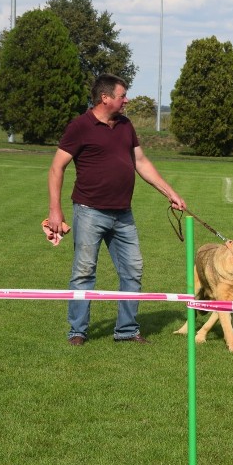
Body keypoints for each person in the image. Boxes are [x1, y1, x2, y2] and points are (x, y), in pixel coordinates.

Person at [47, 73, 187, 346]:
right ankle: (77, 331)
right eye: (122, 95)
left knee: (133, 271)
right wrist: (55, 210)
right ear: (105, 98)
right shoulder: (80, 126)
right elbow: (56, 168)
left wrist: (171, 193)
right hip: (89, 211)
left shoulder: (125, 125)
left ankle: (126, 330)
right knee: (84, 272)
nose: (127, 100)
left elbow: (142, 162)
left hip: (123, 214)